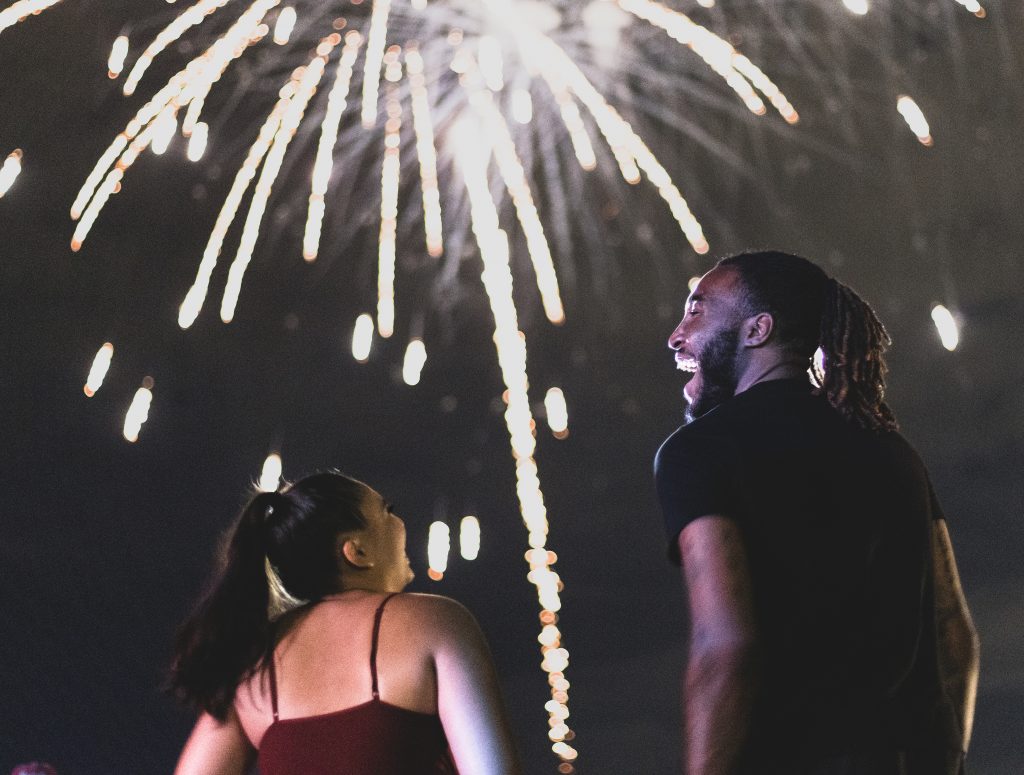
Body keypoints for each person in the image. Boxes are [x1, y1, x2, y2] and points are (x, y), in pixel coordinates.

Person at [654, 251, 980, 775]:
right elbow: (954, 635)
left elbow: (727, 646)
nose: (675, 336)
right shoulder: (893, 451)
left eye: (696, 311)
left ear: (758, 330)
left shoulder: (700, 450)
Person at [168, 471, 522, 775]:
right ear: (357, 552)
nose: (401, 523)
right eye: (388, 512)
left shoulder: (253, 663)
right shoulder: (435, 620)